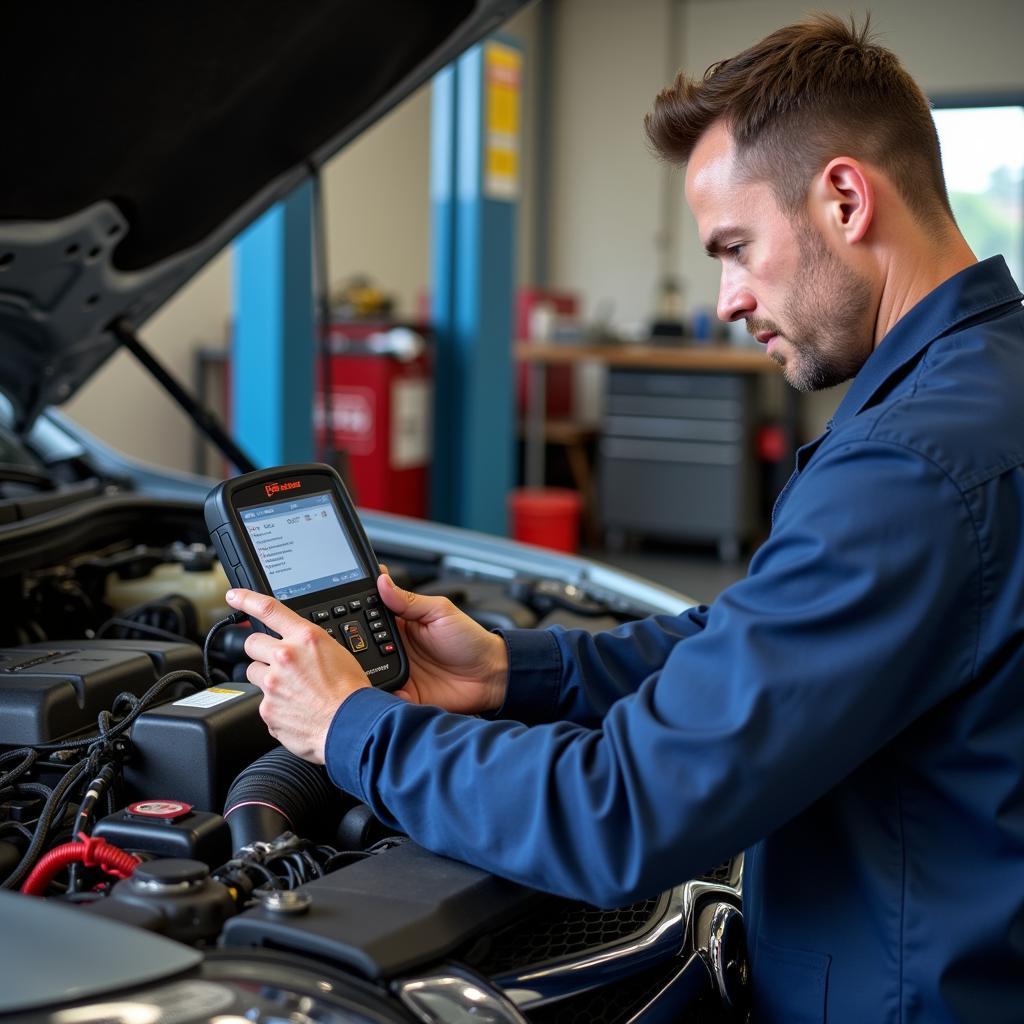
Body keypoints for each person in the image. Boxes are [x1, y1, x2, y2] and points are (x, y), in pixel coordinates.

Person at [225, 15, 1024, 1023]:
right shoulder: (987, 385)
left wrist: (352, 728)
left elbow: (624, 812)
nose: (727, 299)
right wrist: (515, 671)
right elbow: (747, 645)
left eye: (735, 249)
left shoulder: (910, 467)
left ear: (843, 197)